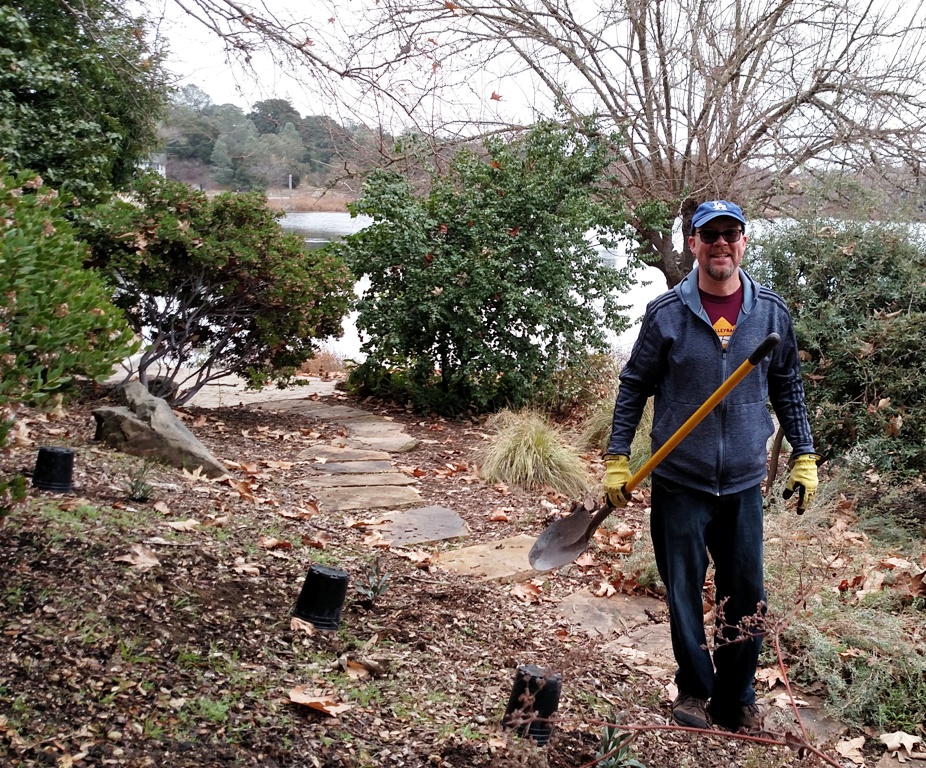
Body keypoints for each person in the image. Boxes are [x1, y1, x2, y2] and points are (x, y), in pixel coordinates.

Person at [602, 200, 819, 733]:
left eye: (731, 234)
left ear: (743, 242)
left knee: (746, 593)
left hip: (744, 480)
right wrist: (616, 457)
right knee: (682, 591)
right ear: (694, 243)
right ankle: (696, 690)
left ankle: (737, 696)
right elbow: (634, 386)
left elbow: (787, 384)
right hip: (679, 479)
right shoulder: (667, 314)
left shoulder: (769, 313)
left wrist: (805, 453)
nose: (721, 244)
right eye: (710, 235)